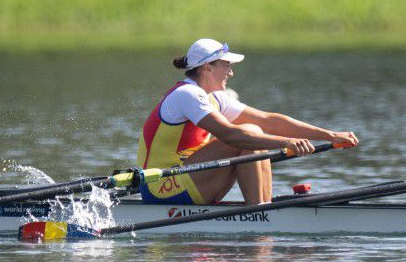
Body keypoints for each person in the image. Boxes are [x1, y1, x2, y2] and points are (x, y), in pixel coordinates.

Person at [138, 38, 359, 205]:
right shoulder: (187, 95)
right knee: (249, 133)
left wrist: (329, 135)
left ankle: (263, 207)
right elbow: (230, 135)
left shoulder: (214, 98)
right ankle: (261, 214)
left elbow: (270, 120)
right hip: (163, 187)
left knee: (255, 132)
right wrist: (286, 143)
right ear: (207, 68)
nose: (231, 72)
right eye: (226, 65)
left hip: (189, 180)